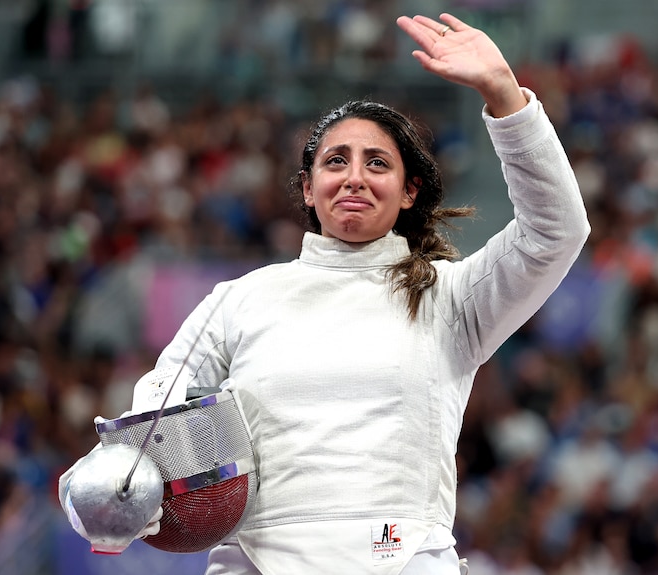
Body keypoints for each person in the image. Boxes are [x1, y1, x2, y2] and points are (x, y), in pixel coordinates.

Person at [58, 11, 590, 575]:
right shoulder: (243, 298)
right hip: (256, 561)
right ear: (309, 190)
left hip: (406, 559)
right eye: (336, 162)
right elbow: (160, 402)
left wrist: (506, 97)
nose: (355, 177)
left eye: (377, 163)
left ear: (409, 192)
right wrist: (122, 477)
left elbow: (557, 231)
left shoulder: (451, 297)